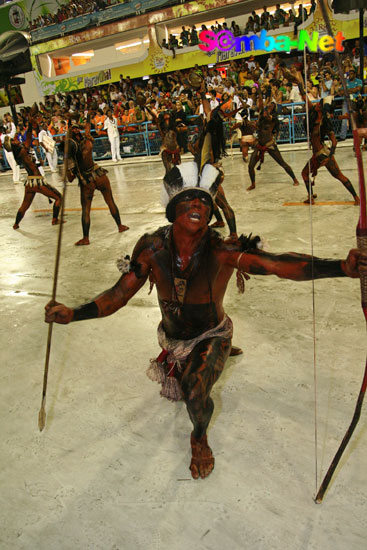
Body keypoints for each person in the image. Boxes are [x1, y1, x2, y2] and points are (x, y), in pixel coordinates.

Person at [45, 158, 367, 480]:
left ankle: (199, 436)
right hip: (174, 339)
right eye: (189, 198)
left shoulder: (222, 249)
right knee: (190, 374)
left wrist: (339, 267)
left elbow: (276, 265)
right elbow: (118, 295)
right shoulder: (151, 247)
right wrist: (73, 314)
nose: (198, 203)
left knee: (194, 390)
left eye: (205, 201)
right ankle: (202, 360)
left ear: (211, 213)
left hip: (212, 333)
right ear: (173, 208)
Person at [288, 69, 360, 205]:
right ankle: (355, 198)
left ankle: (356, 198)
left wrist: (328, 155)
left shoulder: (323, 121)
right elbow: (304, 96)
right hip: (321, 155)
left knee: (312, 174)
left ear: (321, 108)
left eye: (319, 104)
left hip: (322, 155)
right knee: (332, 175)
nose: (317, 104)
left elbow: (334, 141)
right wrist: (298, 82)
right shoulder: (314, 113)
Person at [65, 117, 129, 246]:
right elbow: (88, 127)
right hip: (99, 174)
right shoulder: (88, 142)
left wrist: (67, 166)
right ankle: (120, 225)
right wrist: (87, 118)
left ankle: (86, 238)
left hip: (87, 180)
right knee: (110, 200)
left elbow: (70, 178)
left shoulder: (72, 154)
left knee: (86, 209)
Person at [7, 117, 62, 229]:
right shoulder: (22, 151)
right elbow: (28, 139)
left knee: (25, 205)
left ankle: (16, 224)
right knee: (58, 198)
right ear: (13, 145)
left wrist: (38, 164)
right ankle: (55, 220)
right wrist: (30, 125)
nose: (16, 139)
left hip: (30, 183)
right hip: (36, 182)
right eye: (13, 141)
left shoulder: (20, 153)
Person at [247, 92, 300, 191]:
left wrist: (264, 104)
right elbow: (260, 113)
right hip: (260, 144)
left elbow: (265, 113)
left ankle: (294, 178)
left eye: (271, 105)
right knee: (250, 166)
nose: (269, 105)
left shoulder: (272, 118)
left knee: (282, 163)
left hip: (269, 144)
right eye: (270, 104)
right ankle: (253, 183)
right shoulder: (262, 117)